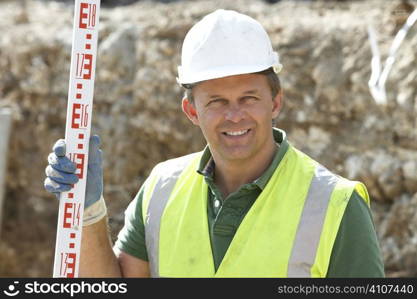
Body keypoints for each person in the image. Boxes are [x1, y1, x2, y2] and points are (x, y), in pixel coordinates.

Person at [44, 9, 384, 277]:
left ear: (275, 103)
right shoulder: (161, 190)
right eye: (217, 101)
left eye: (249, 98)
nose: (235, 116)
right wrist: (86, 211)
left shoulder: (335, 205)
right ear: (191, 110)